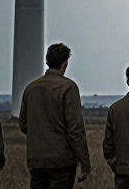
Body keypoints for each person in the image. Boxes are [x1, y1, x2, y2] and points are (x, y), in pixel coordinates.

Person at [19, 43, 92, 188]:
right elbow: (75, 129)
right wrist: (85, 162)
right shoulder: (68, 87)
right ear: (64, 64)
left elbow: (23, 124)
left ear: (47, 61)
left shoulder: (31, 88)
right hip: (62, 161)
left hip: (37, 160)